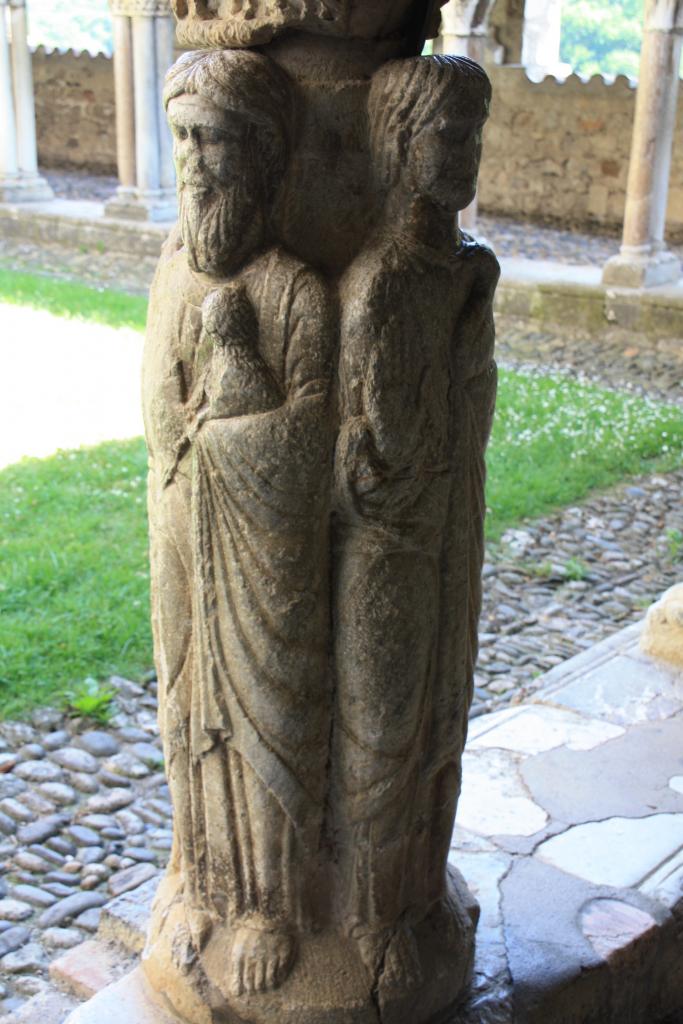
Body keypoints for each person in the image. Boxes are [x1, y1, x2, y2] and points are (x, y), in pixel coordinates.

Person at [142, 48, 336, 998]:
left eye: (216, 138)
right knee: (188, 703)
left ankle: (269, 903)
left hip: (266, 556)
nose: (195, 159)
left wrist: (223, 439)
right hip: (182, 530)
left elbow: (312, 433)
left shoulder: (299, 290)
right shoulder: (172, 271)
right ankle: (201, 880)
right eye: (182, 136)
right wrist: (197, 436)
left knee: (268, 717)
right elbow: (158, 412)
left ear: (262, 157)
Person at [333, 54, 499, 993]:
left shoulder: (463, 272)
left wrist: (474, 318)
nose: (464, 152)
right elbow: (369, 463)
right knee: (381, 726)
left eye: (473, 133)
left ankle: (411, 891)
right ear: (396, 144)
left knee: (438, 710)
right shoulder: (382, 282)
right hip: (392, 543)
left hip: (448, 525)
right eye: (446, 133)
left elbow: (463, 414)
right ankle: (368, 912)